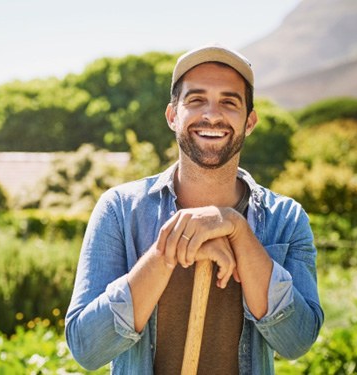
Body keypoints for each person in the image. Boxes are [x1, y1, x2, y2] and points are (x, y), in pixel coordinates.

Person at [65, 43, 324, 374]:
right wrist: (169, 250)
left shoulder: (286, 220)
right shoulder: (120, 209)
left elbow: (297, 341)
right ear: (173, 116)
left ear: (250, 121)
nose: (212, 115)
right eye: (196, 100)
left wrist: (236, 229)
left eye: (229, 102)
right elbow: (86, 348)